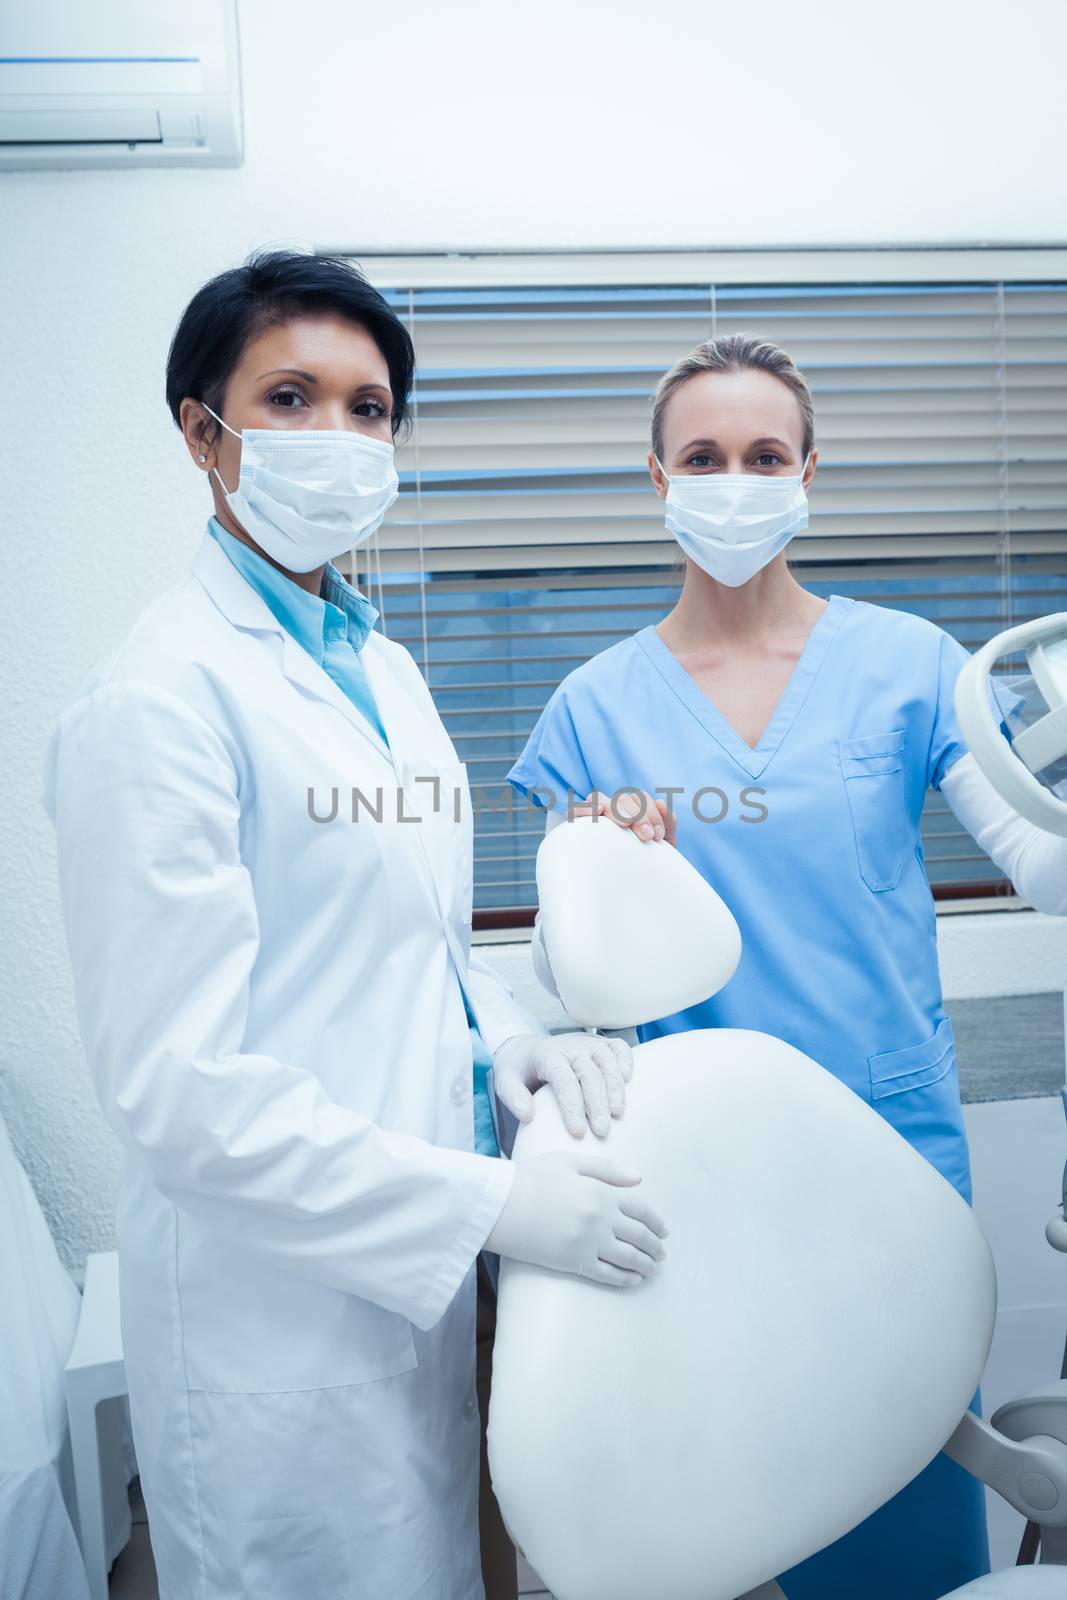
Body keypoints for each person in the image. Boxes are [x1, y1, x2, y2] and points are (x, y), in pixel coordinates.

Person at [42, 250, 669, 1600]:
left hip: (401, 1278)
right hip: (269, 1325)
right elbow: (182, 1097)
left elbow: (408, 942)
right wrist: (497, 1201)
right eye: (288, 397)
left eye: (368, 407)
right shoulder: (158, 700)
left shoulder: (370, 661)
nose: (336, 436)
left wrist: (505, 1041)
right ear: (201, 433)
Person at [507, 332, 1067, 1600]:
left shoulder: (907, 662)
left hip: (891, 1137)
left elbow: (1038, 864)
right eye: (702, 455)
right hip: (702, 1155)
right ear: (656, 477)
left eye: (763, 453)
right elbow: (562, 958)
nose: (733, 479)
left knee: (910, 1461)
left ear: (809, 470)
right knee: (738, 1486)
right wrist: (601, 856)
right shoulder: (596, 704)